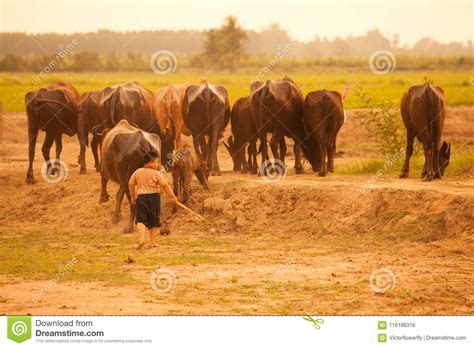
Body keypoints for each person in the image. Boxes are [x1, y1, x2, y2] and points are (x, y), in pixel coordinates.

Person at [128, 151, 178, 250]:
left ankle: (141, 240)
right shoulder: (156, 173)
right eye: (157, 162)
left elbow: (130, 183)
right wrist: (172, 196)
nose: (158, 164)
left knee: (140, 220)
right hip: (153, 197)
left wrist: (133, 195)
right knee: (154, 220)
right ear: (151, 163)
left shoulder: (137, 172)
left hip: (141, 197)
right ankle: (152, 242)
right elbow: (164, 185)